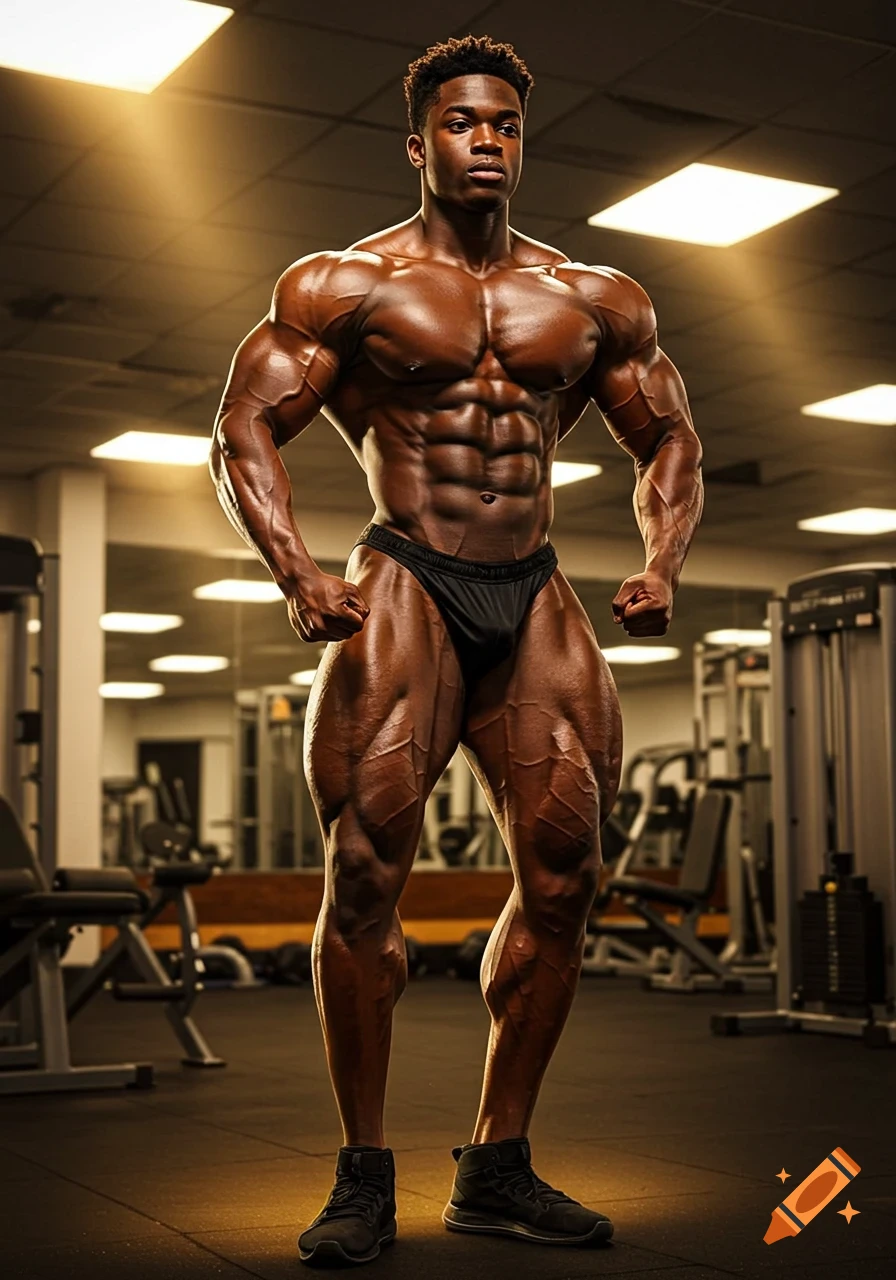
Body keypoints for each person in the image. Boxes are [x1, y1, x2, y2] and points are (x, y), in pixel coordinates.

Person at [210, 33, 703, 1268]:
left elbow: (671, 441)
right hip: (407, 576)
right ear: (418, 139)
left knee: (565, 871)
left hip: (533, 587)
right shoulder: (345, 286)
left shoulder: (592, 298)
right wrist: (298, 570)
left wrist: (660, 561)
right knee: (365, 872)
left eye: (505, 126)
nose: (488, 141)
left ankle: (495, 1162)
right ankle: (362, 1174)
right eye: (463, 122)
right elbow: (244, 431)